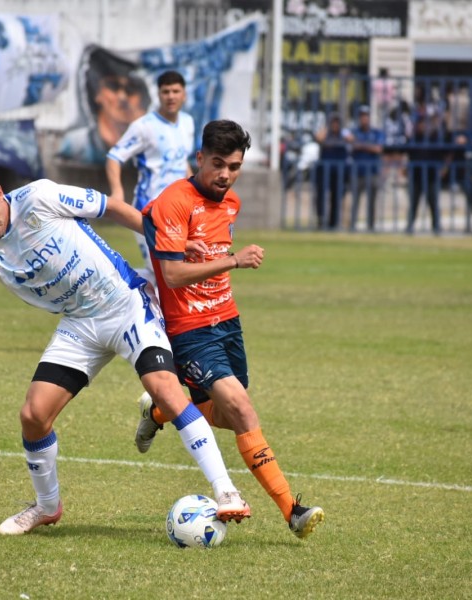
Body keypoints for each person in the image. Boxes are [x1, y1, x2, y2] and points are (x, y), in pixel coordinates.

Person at [0, 163, 250, 535]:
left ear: (0, 192)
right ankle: (46, 506)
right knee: (33, 415)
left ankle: (227, 491)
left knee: (166, 391)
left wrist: (171, 243)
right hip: (79, 325)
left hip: (126, 303)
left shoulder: (39, 197)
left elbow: (113, 208)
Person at [135, 120, 325, 539]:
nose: (225, 174)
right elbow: (173, 274)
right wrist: (233, 261)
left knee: (227, 414)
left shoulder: (232, 204)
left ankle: (159, 409)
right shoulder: (174, 201)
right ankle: (292, 509)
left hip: (228, 324)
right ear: (199, 158)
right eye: (217, 163)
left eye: (234, 166)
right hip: (190, 330)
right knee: (242, 410)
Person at [105, 70, 195, 285]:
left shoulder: (188, 123)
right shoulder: (144, 126)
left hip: (179, 210)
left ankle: (116, 285)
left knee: (179, 270)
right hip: (150, 209)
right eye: (166, 91)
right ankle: (112, 284)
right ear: (158, 95)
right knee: (163, 272)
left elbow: (182, 162)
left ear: (184, 95)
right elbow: (114, 157)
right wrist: (117, 191)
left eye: (175, 91)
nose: (171, 96)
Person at [58, 46, 150, 164]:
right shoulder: (76, 144)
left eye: (130, 89)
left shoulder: (148, 147)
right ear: (97, 93)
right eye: (113, 86)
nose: (122, 97)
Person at [313, 113, 353, 229]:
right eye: (333, 123)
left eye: (337, 123)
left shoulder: (343, 134)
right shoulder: (326, 134)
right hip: (325, 171)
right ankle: (321, 220)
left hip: (339, 172)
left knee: (337, 197)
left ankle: (333, 222)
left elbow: (352, 140)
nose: (335, 125)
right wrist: (325, 131)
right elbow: (318, 138)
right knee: (321, 196)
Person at [348, 105, 384, 231]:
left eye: (366, 116)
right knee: (355, 201)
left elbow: (378, 149)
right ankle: (352, 226)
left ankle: (371, 226)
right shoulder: (355, 131)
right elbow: (351, 145)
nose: (364, 119)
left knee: (372, 202)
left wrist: (360, 144)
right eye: (361, 116)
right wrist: (367, 146)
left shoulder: (376, 132)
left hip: (372, 171)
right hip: (358, 172)